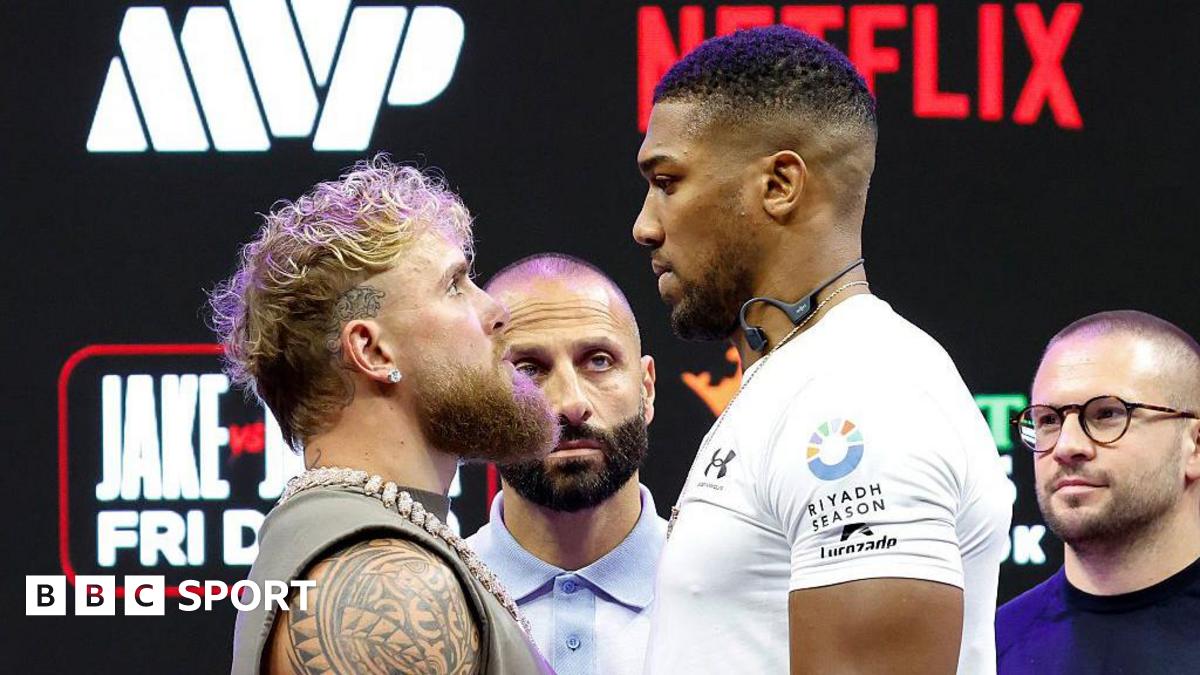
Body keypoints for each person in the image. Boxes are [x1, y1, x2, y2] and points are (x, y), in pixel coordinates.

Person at [632, 26, 1011, 674]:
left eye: (667, 181)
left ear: (780, 184)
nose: (645, 225)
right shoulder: (803, 379)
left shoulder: (861, 394)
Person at [212, 156, 557, 674]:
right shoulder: (386, 586)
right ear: (372, 352)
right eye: (454, 285)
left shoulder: (376, 544)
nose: (496, 310)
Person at [466, 253, 667, 675]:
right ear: (483, 401)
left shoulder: (734, 589)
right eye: (528, 370)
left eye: (599, 361)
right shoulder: (431, 600)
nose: (571, 404)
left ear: (646, 388)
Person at [997, 310, 1200, 674]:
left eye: (1107, 414)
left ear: (1195, 446)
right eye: (1048, 420)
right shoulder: (990, 649)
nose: (1066, 446)